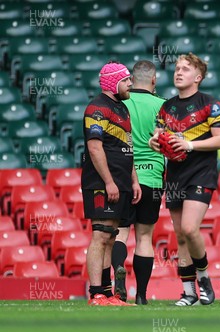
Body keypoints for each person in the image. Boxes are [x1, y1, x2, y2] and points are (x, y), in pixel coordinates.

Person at [149, 53, 220, 306]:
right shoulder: (166, 106)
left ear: (198, 77)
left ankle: (204, 279)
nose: (178, 72)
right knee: (180, 237)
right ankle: (189, 293)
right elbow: (160, 137)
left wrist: (189, 145)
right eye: (176, 68)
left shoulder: (211, 104)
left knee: (190, 229)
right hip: (174, 175)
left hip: (200, 173)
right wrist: (155, 143)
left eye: (185, 69)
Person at [82, 62, 141, 306]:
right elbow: (94, 147)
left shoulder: (123, 109)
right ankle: (96, 293)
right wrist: (108, 181)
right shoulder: (97, 108)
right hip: (102, 182)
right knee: (100, 235)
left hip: (122, 181)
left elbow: (128, 147)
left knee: (110, 235)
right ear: (114, 83)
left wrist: (134, 180)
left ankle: (107, 294)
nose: (130, 85)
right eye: (126, 80)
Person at [110, 60, 166, 305]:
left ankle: (119, 271)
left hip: (122, 175)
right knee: (145, 237)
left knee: (119, 232)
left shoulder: (120, 101)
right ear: (154, 81)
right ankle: (141, 295)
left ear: (131, 80)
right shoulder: (163, 105)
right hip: (151, 176)